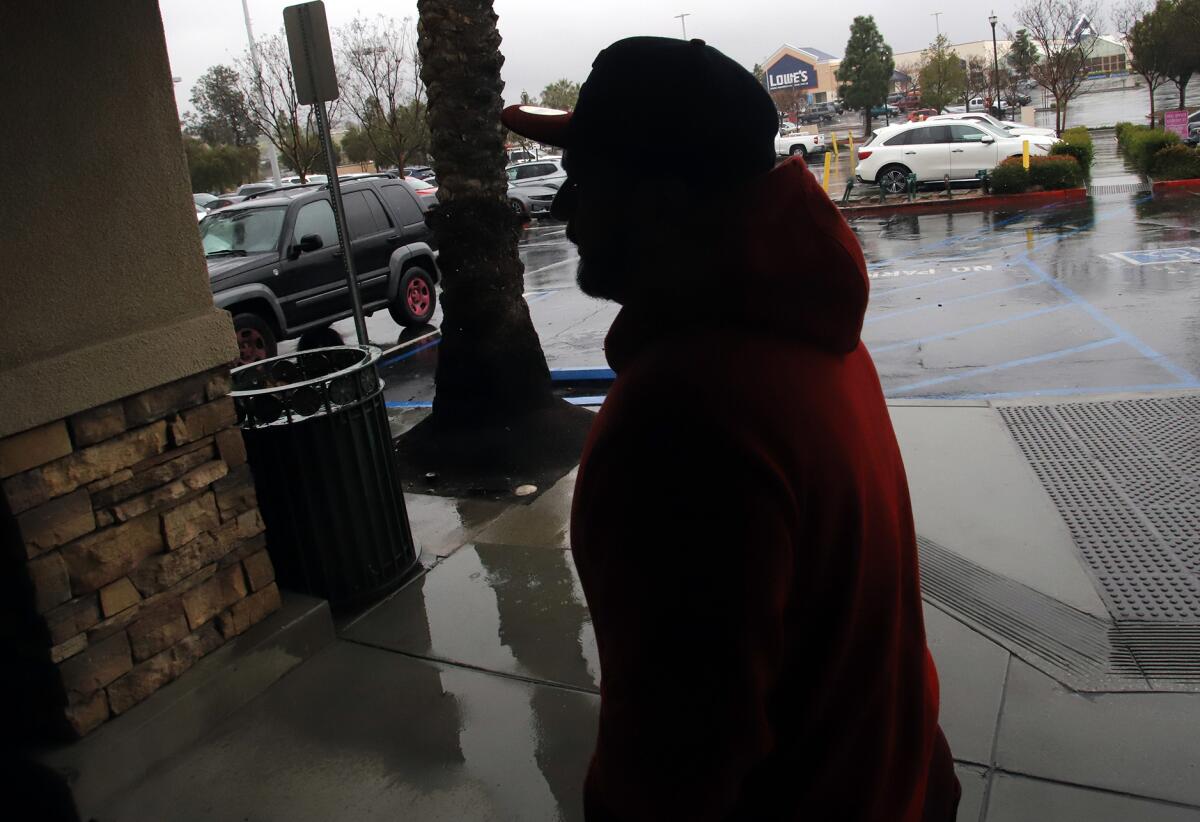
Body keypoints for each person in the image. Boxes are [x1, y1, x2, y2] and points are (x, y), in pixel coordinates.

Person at [503, 36, 960, 821]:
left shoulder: (681, 423)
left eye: (584, 180)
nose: (562, 209)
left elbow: (675, 770)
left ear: (661, 201)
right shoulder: (812, 327)